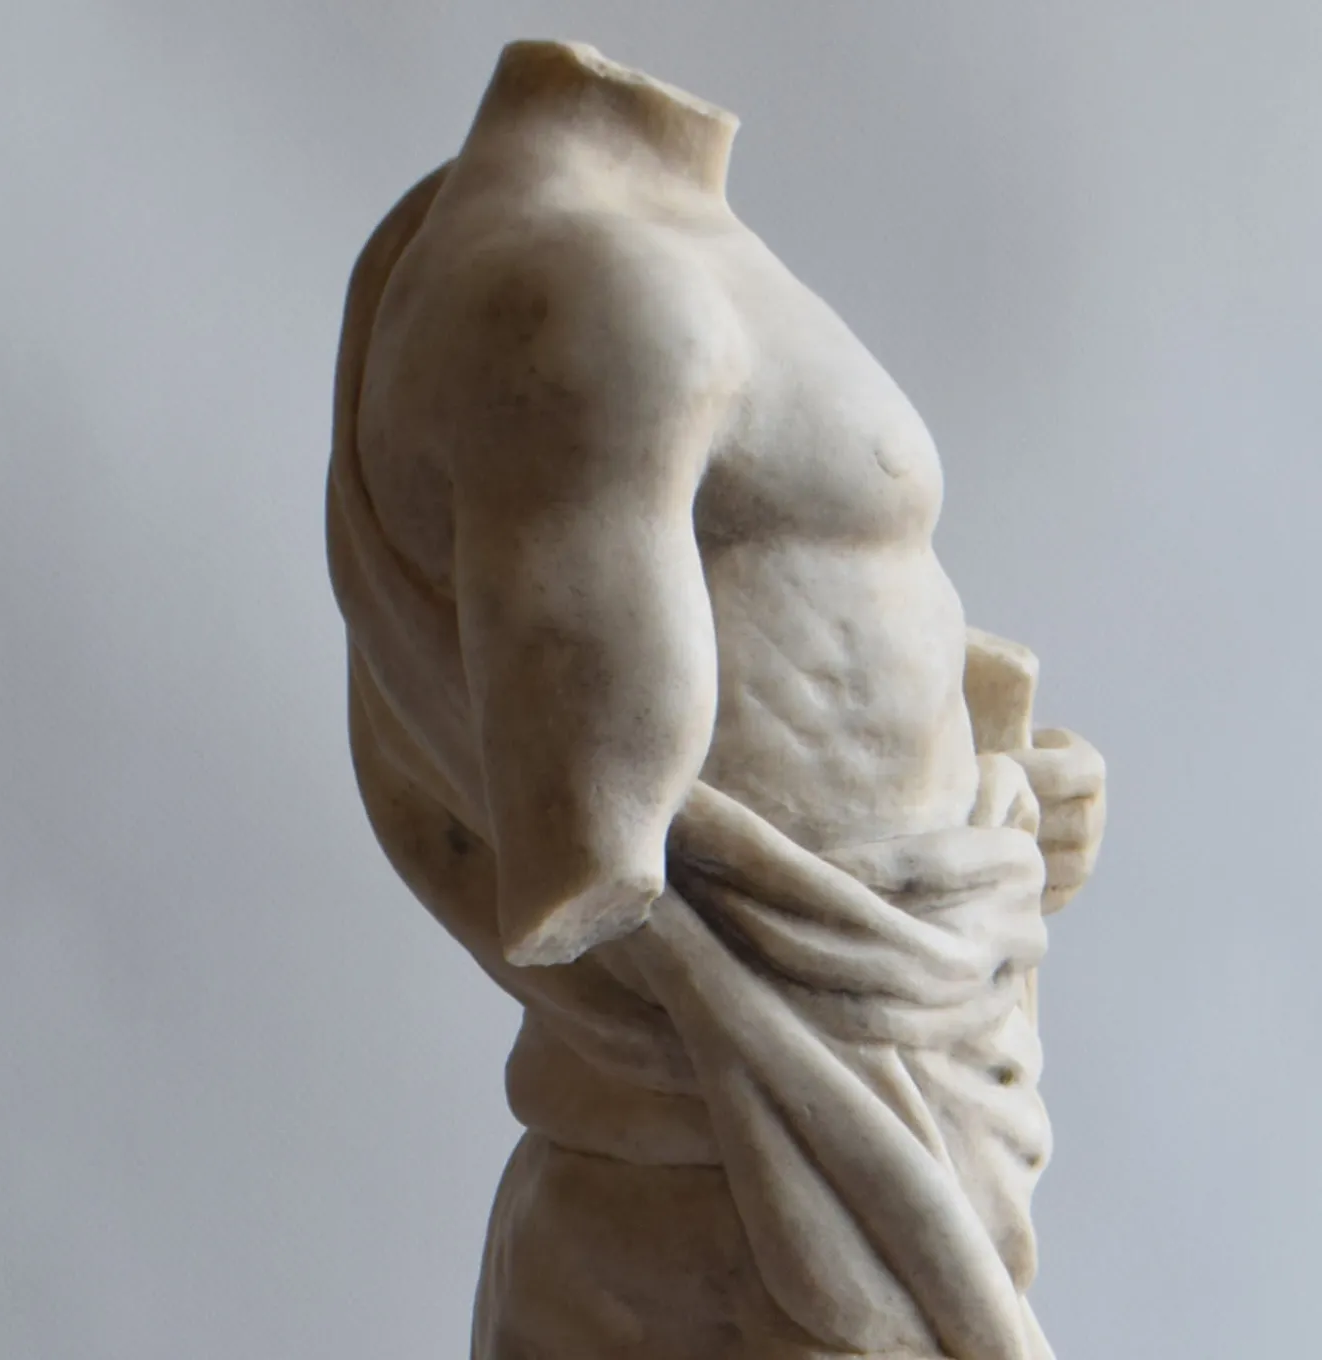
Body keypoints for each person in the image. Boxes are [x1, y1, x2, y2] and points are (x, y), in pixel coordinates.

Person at [328, 40, 1106, 1360]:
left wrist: (998, 789)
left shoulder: (644, 249)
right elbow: (594, 832)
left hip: (863, 1089)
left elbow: (774, 665)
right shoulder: (593, 288)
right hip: (750, 1158)